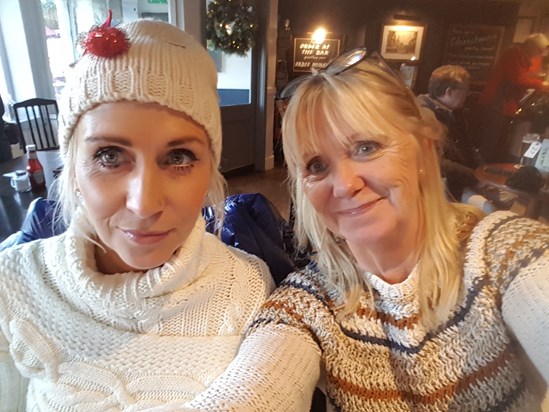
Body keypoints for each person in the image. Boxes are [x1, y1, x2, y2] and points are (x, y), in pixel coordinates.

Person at [182, 49, 549, 411]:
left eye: (366, 147)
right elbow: (255, 389)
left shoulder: (504, 251)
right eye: (317, 165)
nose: (343, 185)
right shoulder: (308, 303)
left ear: (422, 151)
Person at [0, 18, 274, 410]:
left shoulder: (246, 288)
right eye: (109, 156)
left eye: (179, 158)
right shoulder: (11, 286)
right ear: (74, 169)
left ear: (211, 169)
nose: (144, 204)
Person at [475, 33, 549, 163]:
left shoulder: (525, 55)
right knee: (490, 140)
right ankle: (480, 170)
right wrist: (542, 84)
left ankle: (489, 167)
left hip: (505, 104)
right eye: (539, 51)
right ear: (532, 46)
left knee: (497, 140)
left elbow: (528, 76)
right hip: (496, 102)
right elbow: (517, 79)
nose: (541, 54)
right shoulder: (514, 53)